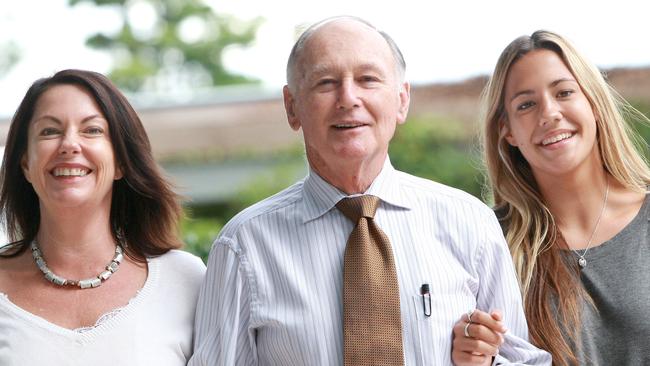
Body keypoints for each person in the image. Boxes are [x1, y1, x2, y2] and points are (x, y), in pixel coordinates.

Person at [189, 16, 549, 365]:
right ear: (292, 106)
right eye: (325, 82)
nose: (348, 98)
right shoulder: (243, 246)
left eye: (367, 79)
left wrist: (485, 363)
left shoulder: (471, 224)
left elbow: (522, 360)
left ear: (402, 100)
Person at [451, 30, 650, 366]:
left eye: (564, 92)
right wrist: (468, 354)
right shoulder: (487, 241)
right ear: (507, 130)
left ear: (594, 105)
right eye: (526, 104)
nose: (549, 113)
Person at [0, 69, 206, 365]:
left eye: (92, 130)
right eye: (49, 131)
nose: (69, 144)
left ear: (121, 161)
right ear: (25, 164)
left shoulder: (186, 280)